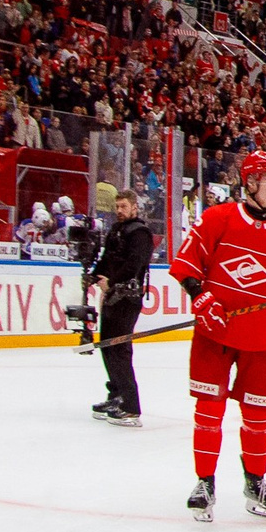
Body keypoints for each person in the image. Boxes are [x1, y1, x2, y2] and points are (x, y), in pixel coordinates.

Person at [172, 149, 266, 520]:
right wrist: (201, 297)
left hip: (261, 341)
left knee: (258, 416)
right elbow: (188, 265)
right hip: (215, 333)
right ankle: (204, 482)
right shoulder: (217, 218)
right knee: (209, 410)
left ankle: (255, 483)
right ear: (250, 182)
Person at [88, 182, 156, 428]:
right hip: (111, 295)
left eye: (124, 206)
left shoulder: (140, 233)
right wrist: (95, 276)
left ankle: (130, 404)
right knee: (108, 347)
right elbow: (107, 259)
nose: (119, 210)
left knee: (119, 349)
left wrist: (112, 281)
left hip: (127, 297)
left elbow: (134, 265)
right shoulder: (116, 229)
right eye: (117, 206)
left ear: (134, 207)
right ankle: (115, 395)